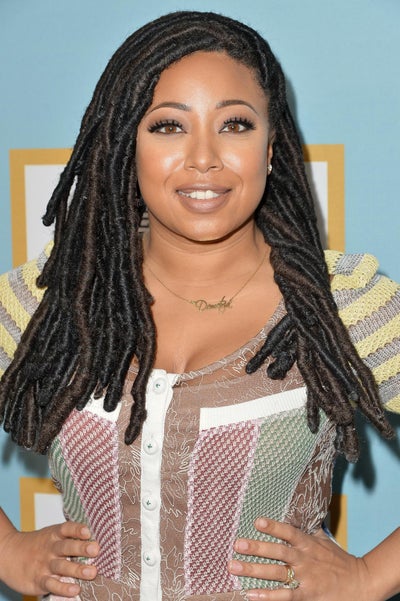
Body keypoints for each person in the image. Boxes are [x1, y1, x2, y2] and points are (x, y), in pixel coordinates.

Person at [0, 10, 399, 601]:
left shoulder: (338, 306)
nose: (204, 158)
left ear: (271, 148)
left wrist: (368, 578)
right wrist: (8, 549)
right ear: (125, 146)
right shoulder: (52, 300)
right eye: (168, 126)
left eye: (235, 124)